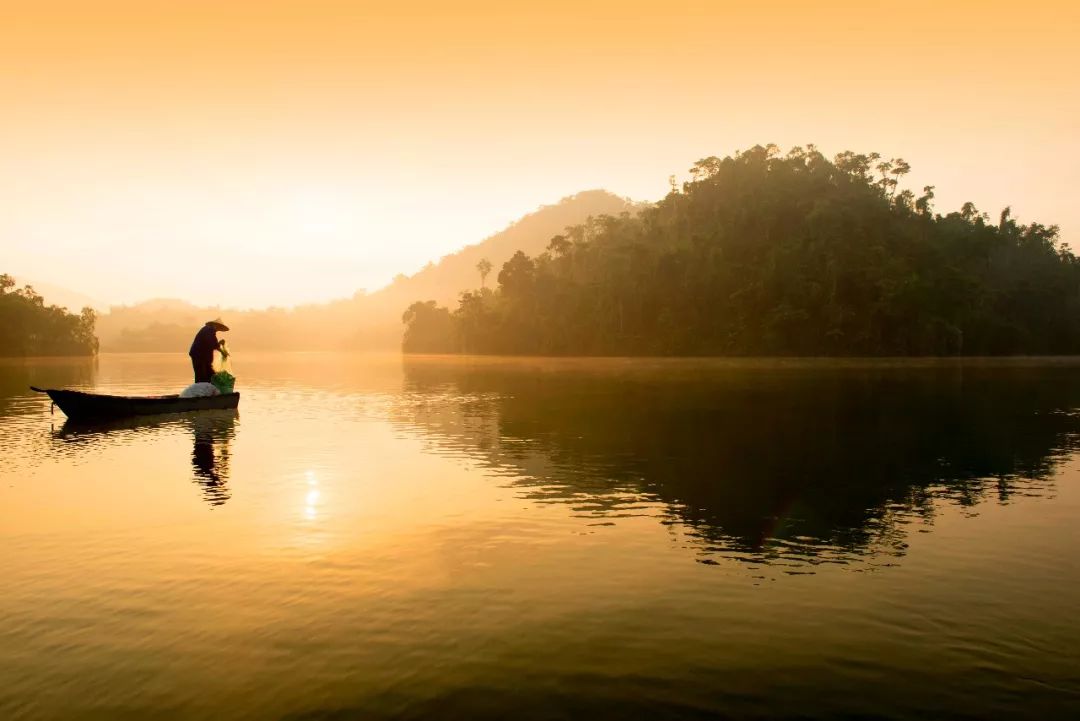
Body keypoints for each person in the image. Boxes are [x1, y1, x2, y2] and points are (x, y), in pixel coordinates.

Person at [189, 318, 229, 383]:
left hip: (203, 357)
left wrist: (220, 343)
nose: (218, 330)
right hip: (199, 356)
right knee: (201, 376)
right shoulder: (209, 329)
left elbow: (212, 344)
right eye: (219, 327)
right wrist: (222, 352)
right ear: (215, 325)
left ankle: (209, 390)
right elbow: (212, 343)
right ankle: (201, 391)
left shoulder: (210, 331)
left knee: (210, 374)